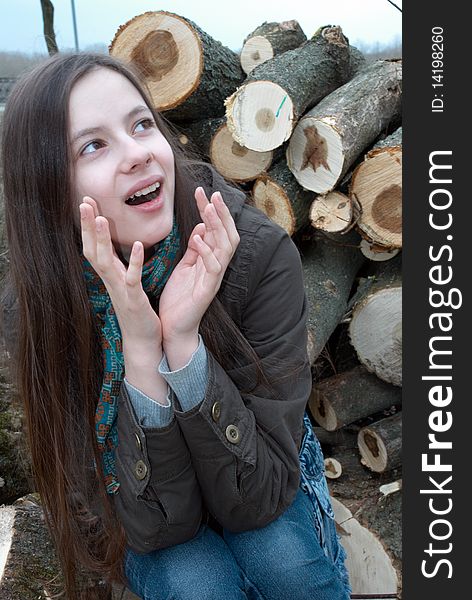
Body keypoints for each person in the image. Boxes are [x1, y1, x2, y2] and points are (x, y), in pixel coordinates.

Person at [0, 52, 351, 600]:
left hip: (254, 466)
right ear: (46, 186)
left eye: (141, 124)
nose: (138, 153)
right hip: (148, 507)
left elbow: (256, 496)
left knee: (287, 566)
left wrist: (183, 345)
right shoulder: (37, 310)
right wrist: (142, 353)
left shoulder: (254, 256)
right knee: (195, 583)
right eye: (93, 145)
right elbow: (155, 526)